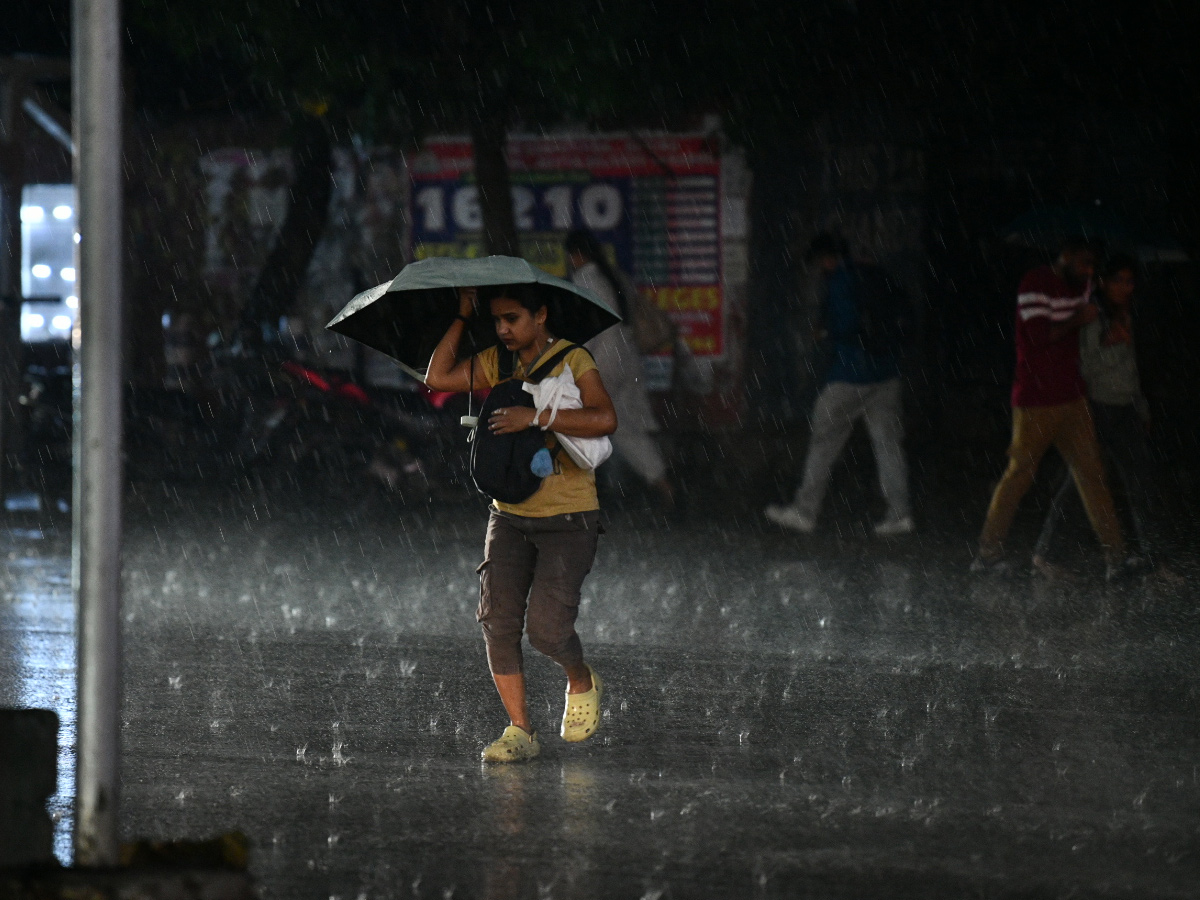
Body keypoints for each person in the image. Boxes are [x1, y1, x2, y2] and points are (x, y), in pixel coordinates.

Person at [425, 284, 618, 763]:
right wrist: (462, 316)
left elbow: (605, 419)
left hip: (569, 516)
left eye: (513, 318)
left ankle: (580, 677)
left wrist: (535, 417)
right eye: (497, 321)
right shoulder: (497, 361)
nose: (504, 329)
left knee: (548, 632)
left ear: (542, 315)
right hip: (508, 515)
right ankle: (520, 730)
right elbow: (438, 376)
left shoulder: (575, 360)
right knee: (497, 621)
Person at [973, 239, 1136, 580]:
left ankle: (1116, 559)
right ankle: (987, 554)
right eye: (1083, 262)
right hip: (1035, 399)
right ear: (1064, 255)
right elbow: (1037, 337)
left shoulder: (1084, 285)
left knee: (1092, 475)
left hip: (1072, 397)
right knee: (1019, 475)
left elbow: (1100, 304)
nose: (1088, 271)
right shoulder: (1035, 284)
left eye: (1093, 265)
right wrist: (1079, 319)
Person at [764, 233, 914, 536]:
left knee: (823, 441)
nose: (819, 269)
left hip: (851, 375)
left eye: (820, 262)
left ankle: (805, 512)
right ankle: (900, 514)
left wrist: (825, 330)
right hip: (886, 373)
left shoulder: (842, 279)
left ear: (827, 258)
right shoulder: (876, 273)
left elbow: (845, 325)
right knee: (888, 447)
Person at [1031, 255, 1168, 579]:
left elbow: (1132, 368)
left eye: (1130, 281)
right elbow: (1086, 366)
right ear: (1104, 282)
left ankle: (1151, 558)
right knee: (1081, 482)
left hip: (1126, 409)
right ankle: (1047, 553)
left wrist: (1141, 406)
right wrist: (1109, 343)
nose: (1125, 287)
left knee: (1140, 484)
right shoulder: (1092, 314)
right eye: (1119, 280)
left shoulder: (1128, 314)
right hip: (1097, 408)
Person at [564, 229, 677, 511]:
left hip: (601, 366)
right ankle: (666, 487)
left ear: (577, 255)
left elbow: (588, 330)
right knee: (627, 430)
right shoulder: (614, 278)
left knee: (577, 426)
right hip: (627, 362)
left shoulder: (586, 282)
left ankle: (583, 496)